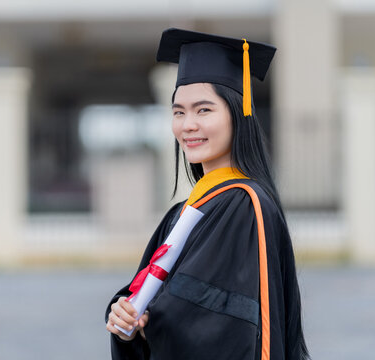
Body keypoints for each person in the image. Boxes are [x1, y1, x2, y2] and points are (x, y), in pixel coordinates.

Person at [104, 28, 310, 360]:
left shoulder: (244, 204)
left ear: (237, 113)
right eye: (178, 111)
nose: (187, 125)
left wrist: (150, 320)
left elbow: (223, 323)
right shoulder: (188, 210)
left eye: (204, 110)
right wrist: (124, 313)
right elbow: (152, 293)